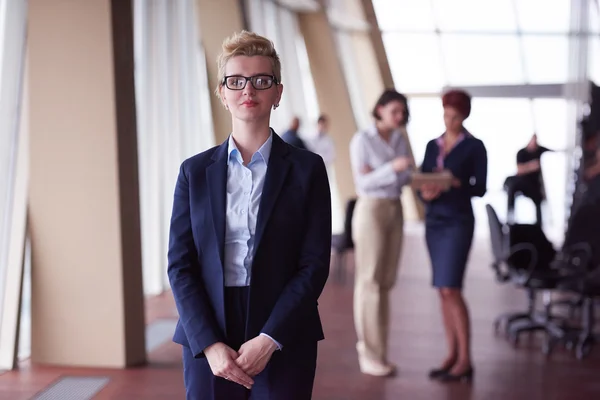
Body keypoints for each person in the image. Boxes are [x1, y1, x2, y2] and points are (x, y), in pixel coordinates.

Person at [167, 31, 331, 400]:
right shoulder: (193, 172)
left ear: (277, 92)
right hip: (208, 330)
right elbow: (180, 265)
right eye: (236, 81)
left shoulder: (308, 169)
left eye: (261, 80)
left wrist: (271, 339)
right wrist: (209, 344)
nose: (248, 90)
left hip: (284, 327)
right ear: (222, 94)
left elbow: (314, 263)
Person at [419, 89, 487, 383]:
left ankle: (465, 360)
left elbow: (480, 187)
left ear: (465, 116)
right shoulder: (432, 145)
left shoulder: (475, 147)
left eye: (456, 116)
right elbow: (421, 180)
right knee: (442, 290)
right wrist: (427, 192)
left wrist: (455, 183)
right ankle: (451, 354)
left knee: (452, 288)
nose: (450, 121)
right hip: (434, 222)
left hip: (458, 221)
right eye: (447, 115)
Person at [349, 89, 413, 377]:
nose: (400, 117)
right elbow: (363, 182)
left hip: (395, 207)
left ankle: (381, 352)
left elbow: (405, 176)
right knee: (370, 282)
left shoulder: (399, 138)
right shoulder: (362, 140)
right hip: (371, 210)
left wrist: (390, 171)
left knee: (386, 281)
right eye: (395, 111)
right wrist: (391, 167)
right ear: (380, 109)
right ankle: (369, 352)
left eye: (402, 112)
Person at [504, 134, 551, 225]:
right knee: (512, 187)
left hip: (533, 185)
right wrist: (532, 166)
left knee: (538, 199)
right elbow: (519, 169)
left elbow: (552, 151)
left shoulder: (539, 150)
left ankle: (539, 225)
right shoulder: (521, 153)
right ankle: (510, 217)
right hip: (522, 182)